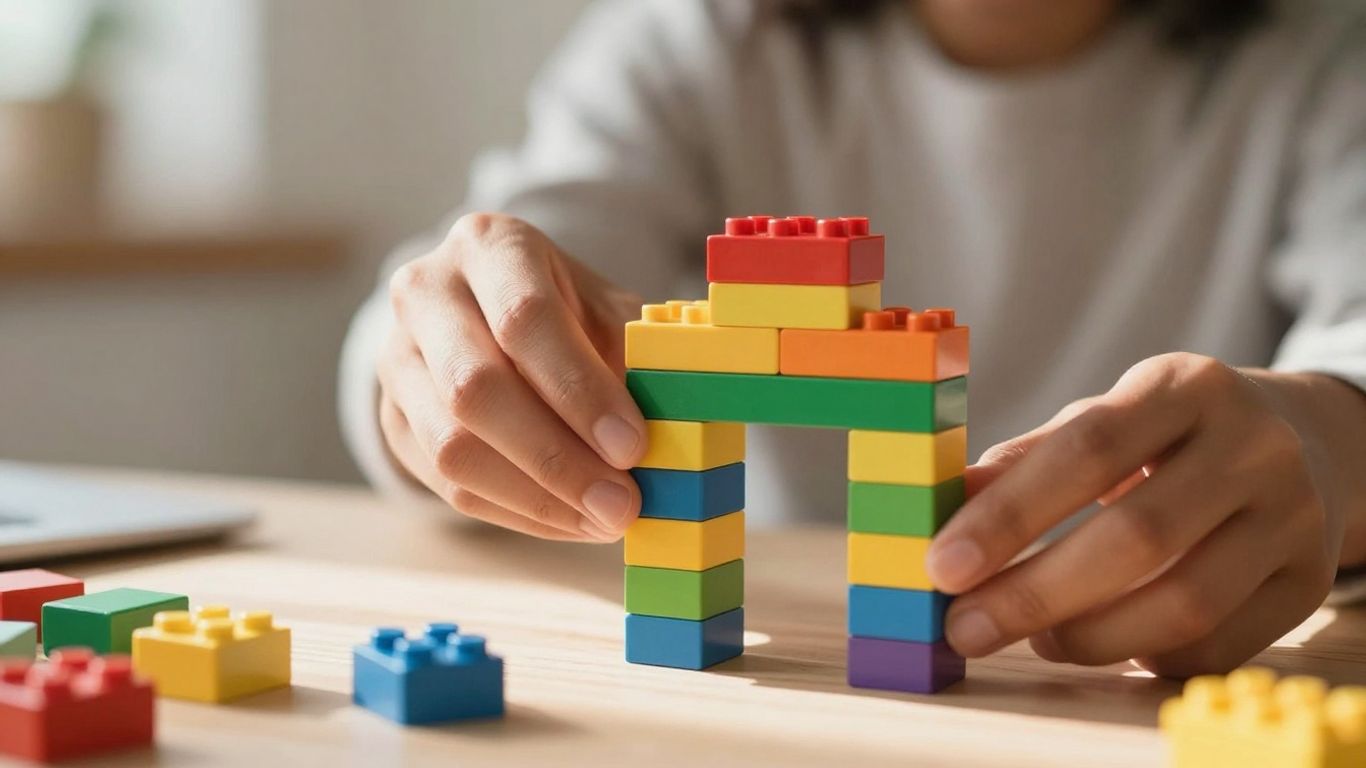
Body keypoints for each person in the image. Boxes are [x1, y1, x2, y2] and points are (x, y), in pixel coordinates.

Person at [339, 0, 1366, 678]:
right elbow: (499, 265)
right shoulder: (699, 37)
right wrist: (430, 374)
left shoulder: (1325, 54)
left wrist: (1337, 433)